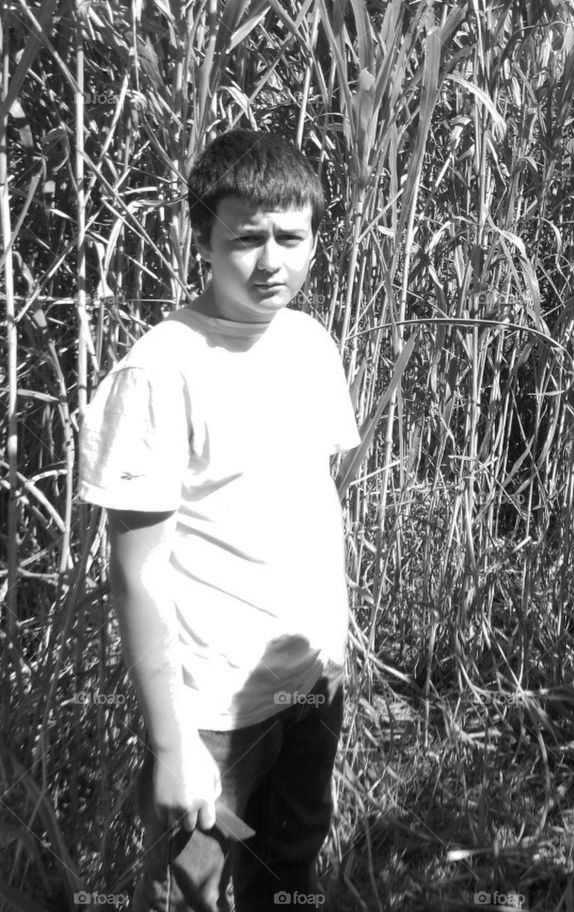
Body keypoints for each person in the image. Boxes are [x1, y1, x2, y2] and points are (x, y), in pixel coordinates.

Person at [79, 130, 360, 910]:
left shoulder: (310, 344)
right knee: (185, 895)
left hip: (310, 684)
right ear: (201, 237)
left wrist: (331, 654)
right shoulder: (160, 371)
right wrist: (173, 747)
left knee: (290, 873)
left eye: (291, 237)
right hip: (210, 714)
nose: (272, 261)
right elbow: (134, 572)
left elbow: (314, 494)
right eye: (247, 238)